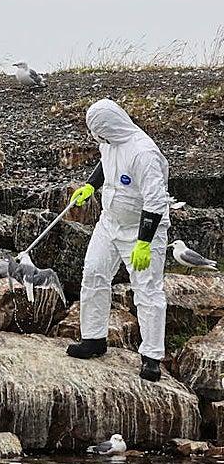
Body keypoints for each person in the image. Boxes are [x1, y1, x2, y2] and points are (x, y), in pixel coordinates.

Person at [65, 99, 170, 381]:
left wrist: (145, 241)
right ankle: (94, 339)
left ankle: (151, 357)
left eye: (98, 131)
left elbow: (156, 201)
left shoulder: (143, 153)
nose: (96, 137)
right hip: (109, 222)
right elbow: (104, 163)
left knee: (147, 290)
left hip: (141, 228)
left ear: (110, 125)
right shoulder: (109, 141)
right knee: (94, 273)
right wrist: (90, 185)